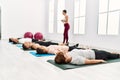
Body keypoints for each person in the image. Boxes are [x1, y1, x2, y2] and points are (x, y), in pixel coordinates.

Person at [54, 49, 120, 65]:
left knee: (111, 54)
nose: (66, 54)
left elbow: (62, 53)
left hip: (93, 51)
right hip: (97, 55)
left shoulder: (69, 55)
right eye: (65, 55)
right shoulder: (75, 60)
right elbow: (88, 61)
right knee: (114, 56)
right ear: (65, 59)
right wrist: (100, 60)